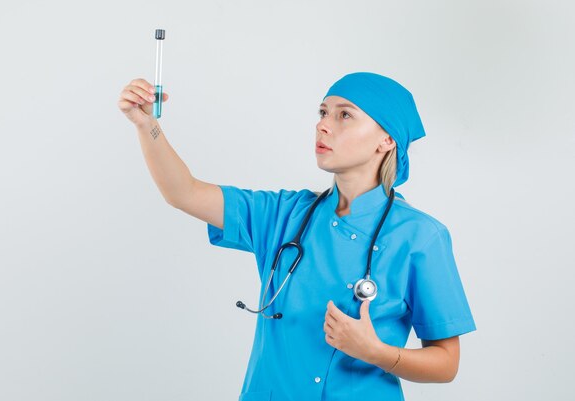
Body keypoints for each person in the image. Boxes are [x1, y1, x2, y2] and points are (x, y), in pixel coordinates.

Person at [117, 72, 477, 401]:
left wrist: (375, 352)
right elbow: (184, 192)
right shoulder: (284, 215)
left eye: (344, 115)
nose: (323, 126)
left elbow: (446, 363)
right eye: (323, 112)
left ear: (386, 139)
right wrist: (146, 124)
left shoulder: (419, 237)